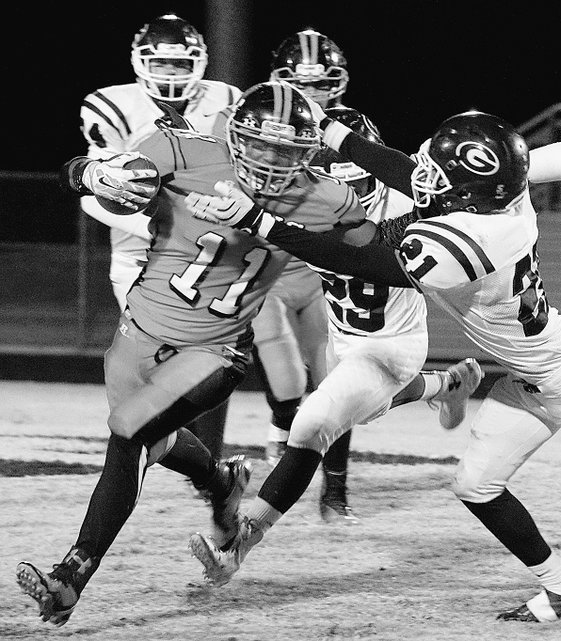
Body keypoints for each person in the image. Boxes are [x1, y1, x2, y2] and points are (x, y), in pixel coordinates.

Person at [186, 104, 561, 621]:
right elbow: (428, 176)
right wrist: (336, 133)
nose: (421, 175)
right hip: (531, 375)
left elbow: (365, 259)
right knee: (476, 484)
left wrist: (256, 220)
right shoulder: (497, 197)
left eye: (437, 173)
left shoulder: (460, 243)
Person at [13, 80, 360, 627]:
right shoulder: (178, 151)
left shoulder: (329, 200)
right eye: (260, 144)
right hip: (137, 333)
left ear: (309, 153)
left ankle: (71, 576)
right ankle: (221, 483)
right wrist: (88, 173)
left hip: (216, 350)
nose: (270, 162)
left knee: (129, 434)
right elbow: (78, 174)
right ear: (234, 133)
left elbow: (381, 254)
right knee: (158, 439)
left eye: (286, 150)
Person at [185, 93, 484, 579]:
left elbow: (362, 248)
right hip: (344, 334)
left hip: (393, 343)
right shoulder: (306, 195)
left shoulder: (411, 206)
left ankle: (239, 544)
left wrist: (259, 220)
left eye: (360, 179)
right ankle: (448, 386)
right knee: (365, 407)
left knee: (313, 423)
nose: (350, 193)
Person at [79, 12, 242, 461]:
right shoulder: (111, 105)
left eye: (180, 64)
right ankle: (197, 461)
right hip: (139, 251)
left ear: (200, 63)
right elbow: (95, 197)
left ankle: (209, 457)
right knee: (155, 362)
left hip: (211, 249)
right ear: (139, 61)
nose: (170, 75)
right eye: (162, 64)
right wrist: (155, 225)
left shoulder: (227, 99)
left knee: (210, 353)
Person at [246, 27, 354, 522]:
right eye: (300, 83)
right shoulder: (264, 123)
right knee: (290, 387)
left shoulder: (351, 130)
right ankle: (282, 422)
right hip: (268, 273)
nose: (311, 93)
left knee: (336, 385)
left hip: (322, 277)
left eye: (320, 82)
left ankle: (335, 492)